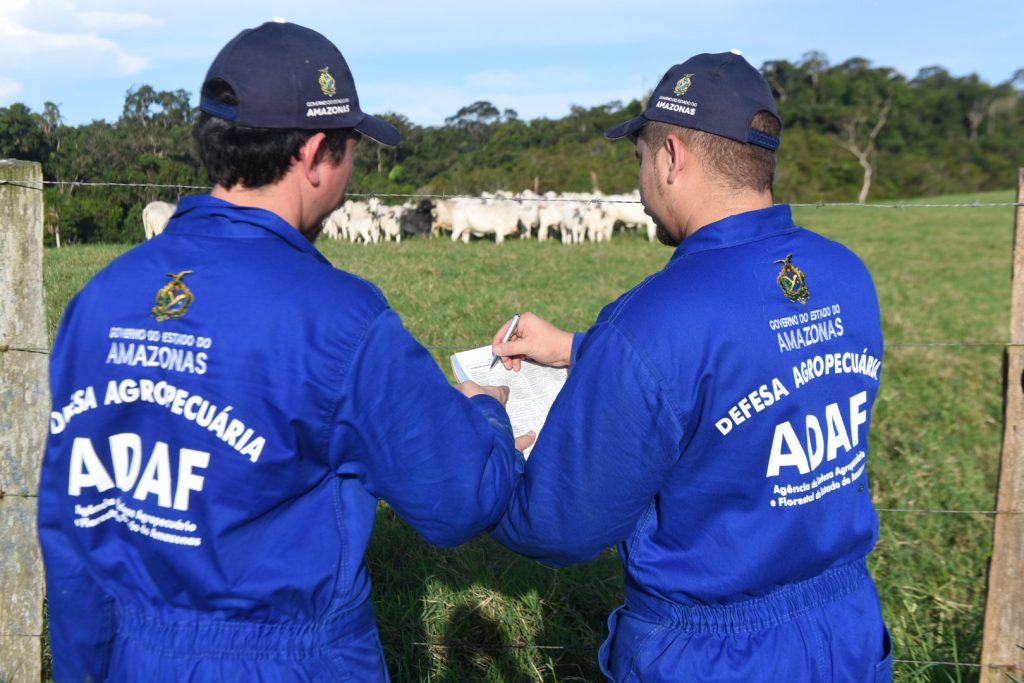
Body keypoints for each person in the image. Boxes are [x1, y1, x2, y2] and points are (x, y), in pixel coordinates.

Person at [37, 20, 529, 682]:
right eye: (352, 148)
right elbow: (459, 498)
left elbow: (70, 532)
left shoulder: (99, 299)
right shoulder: (340, 318)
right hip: (285, 660)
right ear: (318, 152)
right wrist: (486, 411)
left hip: (128, 655)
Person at [490, 52, 892, 681]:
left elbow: (556, 526)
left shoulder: (653, 319)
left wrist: (487, 435)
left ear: (672, 156)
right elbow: (743, 354)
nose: (641, 182)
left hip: (713, 653)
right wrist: (579, 347)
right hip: (848, 629)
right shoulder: (846, 274)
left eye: (641, 157)